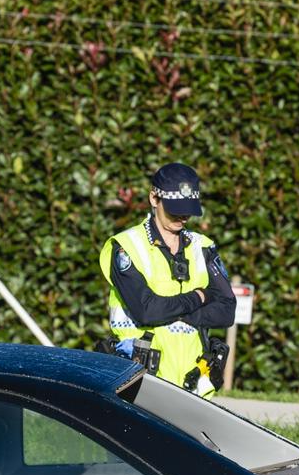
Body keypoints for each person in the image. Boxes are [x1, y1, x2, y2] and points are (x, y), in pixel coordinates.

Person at [98, 162, 235, 396]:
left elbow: (227, 310)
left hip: (196, 383)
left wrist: (179, 312)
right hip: (140, 382)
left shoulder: (202, 247)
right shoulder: (126, 247)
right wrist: (199, 296)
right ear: (154, 199)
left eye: (188, 209)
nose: (182, 216)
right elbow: (147, 311)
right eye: (175, 209)